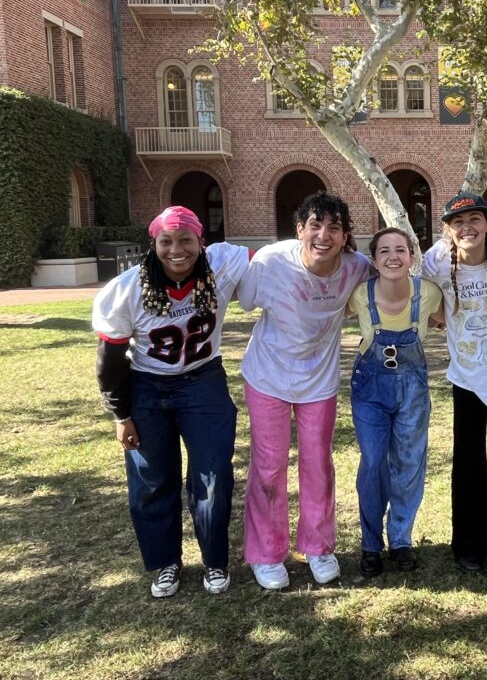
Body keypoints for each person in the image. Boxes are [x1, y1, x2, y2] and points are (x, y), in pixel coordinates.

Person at [92, 206, 251, 597]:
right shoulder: (128, 287)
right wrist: (120, 414)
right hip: (147, 386)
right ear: (154, 244)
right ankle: (166, 563)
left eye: (185, 240)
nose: (176, 249)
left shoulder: (222, 263)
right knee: (151, 479)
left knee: (213, 474)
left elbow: (277, 260)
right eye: (166, 241)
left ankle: (215, 559)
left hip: (203, 382)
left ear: (201, 242)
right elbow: (108, 362)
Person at [237, 191, 371, 590]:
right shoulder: (270, 262)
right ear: (299, 230)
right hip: (267, 377)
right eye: (315, 225)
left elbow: (390, 285)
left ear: (346, 236)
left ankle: (318, 546)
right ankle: (266, 553)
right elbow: (242, 300)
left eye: (334, 228)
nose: (323, 236)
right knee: (269, 465)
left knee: (318, 462)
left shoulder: (356, 268)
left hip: (319, 381)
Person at [421, 192, 487, 573]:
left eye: (474, 220)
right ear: (448, 231)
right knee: (469, 462)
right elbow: (415, 291)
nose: (467, 228)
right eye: (457, 223)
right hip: (466, 376)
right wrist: (435, 317)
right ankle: (469, 545)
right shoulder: (435, 262)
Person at [348, 227, 443, 577]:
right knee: (373, 462)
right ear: (373, 260)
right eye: (384, 251)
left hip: (412, 388)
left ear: (412, 257)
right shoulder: (359, 294)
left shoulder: (429, 293)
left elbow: (453, 318)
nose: (392, 257)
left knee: (409, 462)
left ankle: (401, 539)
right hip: (369, 386)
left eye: (400, 250)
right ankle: (370, 545)